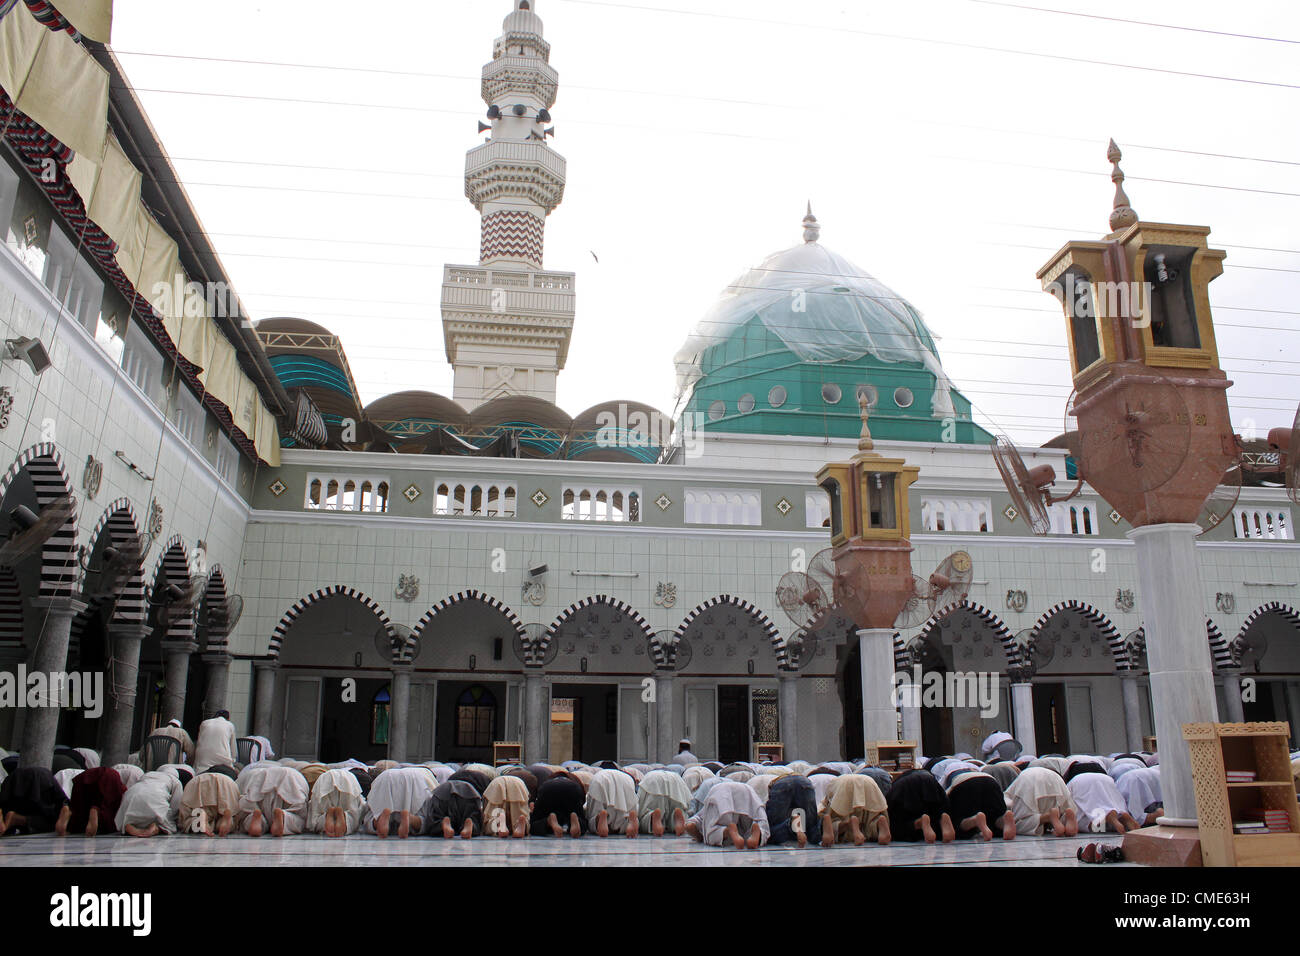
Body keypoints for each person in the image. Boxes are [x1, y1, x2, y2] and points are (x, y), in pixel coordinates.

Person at [686, 778, 769, 849]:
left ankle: (728, 830)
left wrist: (699, 836)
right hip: (746, 789)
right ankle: (758, 832)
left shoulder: (705, 810)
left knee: (710, 830)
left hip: (721, 793)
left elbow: (698, 819)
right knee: (758, 819)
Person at [238, 764, 310, 837]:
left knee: (249, 814)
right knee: (299, 820)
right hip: (290, 778)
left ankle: (256, 819)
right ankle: (284, 818)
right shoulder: (295, 772)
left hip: (261, 779)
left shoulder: (251, 771)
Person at [1005, 766, 1079, 837]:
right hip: (1055, 778)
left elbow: (1008, 799)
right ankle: (1064, 820)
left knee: (1017, 822)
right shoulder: (1049, 771)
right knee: (1061, 810)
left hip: (1028, 781)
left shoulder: (1021, 777)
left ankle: (1046, 817)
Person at [820, 773, 891, 847]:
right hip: (869, 783)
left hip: (843, 785)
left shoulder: (837, 779)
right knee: (870, 819)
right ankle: (878, 823)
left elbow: (825, 802)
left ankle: (848, 824)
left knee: (834, 819)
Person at [944, 769, 1016, 841]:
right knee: (994, 817)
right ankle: (1003, 820)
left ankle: (974, 820)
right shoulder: (975, 769)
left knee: (956, 822)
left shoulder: (949, 775)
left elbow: (945, 796)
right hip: (990, 781)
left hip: (963, 783)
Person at [886, 769, 955, 843]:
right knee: (936, 812)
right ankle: (941, 820)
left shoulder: (900, 781)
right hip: (929, 781)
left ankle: (919, 823)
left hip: (904, 787)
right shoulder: (927, 772)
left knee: (897, 827)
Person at [365, 766, 435, 839]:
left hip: (386, 777)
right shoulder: (423, 773)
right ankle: (411, 819)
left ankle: (378, 820)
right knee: (425, 815)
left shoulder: (386, 773)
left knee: (373, 813)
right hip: (414, 779)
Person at [57, 767, 128, 837]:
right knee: (109, 811)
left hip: (85, 776)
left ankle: (69, 812)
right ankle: (96, 810)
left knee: (78, 809)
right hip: (109, 776)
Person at [115, 770, 186, 837]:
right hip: (156, 794)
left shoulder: (148, 775)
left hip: (132, 793)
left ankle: (129, 825)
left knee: (130, 814)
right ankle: (156, 828)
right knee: (169, 825)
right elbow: (175, 805)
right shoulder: (175, 781)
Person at [0, 767, 68, 836]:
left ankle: (8, 819)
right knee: (53, 822)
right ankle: (18, 819)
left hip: (14, 777)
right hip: (42, 777)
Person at [1068, 771, 1139, 833]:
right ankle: (1120, 816)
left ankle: (1106, 817)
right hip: (1105, 779)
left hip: (1079, 782)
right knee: (1110, 805)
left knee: (1077, 821)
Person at [307, 768, 365, 837]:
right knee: (354, 815)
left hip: (324, 780)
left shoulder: (324, 774)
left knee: (316, 815)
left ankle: (325, 817)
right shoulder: (351, 773)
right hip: (348, 780)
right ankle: (345, 817)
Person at [181, 770, 242, 836]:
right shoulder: (231, 775)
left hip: (197, 781)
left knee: (189, 820)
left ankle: (200, 819)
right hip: (227, 782)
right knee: (232, 818)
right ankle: (225, 820)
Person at [766, 774, 818, 847]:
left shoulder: (765, 783)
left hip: (781, 784)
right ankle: (822, 826)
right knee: (811, 826)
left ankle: (790, 824)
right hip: (804, 781)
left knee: (770, 830)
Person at [585, 767, 639, 838]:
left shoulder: (600, 773)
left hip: (600, 779)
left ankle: (599, 818)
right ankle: (628, 822)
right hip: (626, 781)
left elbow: (587, 806)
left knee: (593, 814)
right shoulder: (627, 776)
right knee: (625, 809)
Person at [530, 772, 587, 837]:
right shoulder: (574, 780)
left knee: (534, 823)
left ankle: (548, 821)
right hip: (572, 789)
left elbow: (538, 798)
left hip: (548, 789)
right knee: (580, 818)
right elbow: (582, 798)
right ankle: (576, 821)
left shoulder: (548, 781)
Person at [637, 768, 690, 836]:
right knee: (678, 808)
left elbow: (639, 800)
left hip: (652, 780)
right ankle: (676, 818)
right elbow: (688, 801)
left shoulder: (649, 775)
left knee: (644, 813)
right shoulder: (676, 775)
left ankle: (652, 817)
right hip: (675, 779)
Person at [483, 773, 530, 838]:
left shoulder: (495, 776)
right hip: (518, 784)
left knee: (492, 813)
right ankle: (519, 826)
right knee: (519, 812)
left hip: (497, 784)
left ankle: (499, 824)